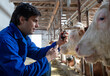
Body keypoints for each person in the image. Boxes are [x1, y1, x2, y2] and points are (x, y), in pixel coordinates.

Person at [0, 2, 68, 76]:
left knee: (46, 65)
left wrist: (58, 43)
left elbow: (37, 53)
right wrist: (48, 57)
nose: (37, 25)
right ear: (22, 20)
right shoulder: (6, 41)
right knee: (45, 63)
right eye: (34, 21)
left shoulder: (23, 37)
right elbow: (20, 73)